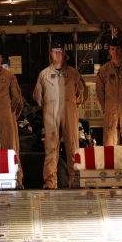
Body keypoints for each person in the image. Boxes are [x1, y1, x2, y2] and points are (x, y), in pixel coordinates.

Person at [33, 40, 87, 189]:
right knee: (51, 149)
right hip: (51, 116)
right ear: (51, 54)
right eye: (54, 51)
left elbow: (82, 94)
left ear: (65, 54)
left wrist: (71, 104)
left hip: (69, 115)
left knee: (73, 147)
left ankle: (75, 179)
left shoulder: (73, 74)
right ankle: (50, 181)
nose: (57, 54)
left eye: (60, 51)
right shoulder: (44, 75)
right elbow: (38, 97)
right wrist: (49, 107)